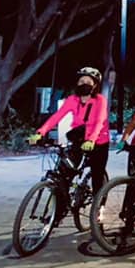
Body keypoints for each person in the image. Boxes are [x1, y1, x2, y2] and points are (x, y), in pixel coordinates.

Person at [29, 67, 110, 195]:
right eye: (81, 81)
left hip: (98, 141)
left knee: (97, 175)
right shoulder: (72, 100)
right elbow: (57, 116)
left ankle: (98, 205)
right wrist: (40, 133)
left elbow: (100, 122)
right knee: (65, 173)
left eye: (88, 82)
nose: (84, 84)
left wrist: (91, 140)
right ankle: (60, 209)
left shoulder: (100, 100)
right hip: (79, 138)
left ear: (95, 86)